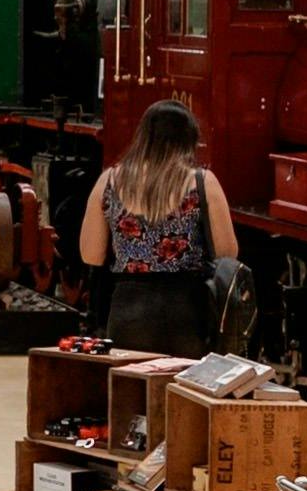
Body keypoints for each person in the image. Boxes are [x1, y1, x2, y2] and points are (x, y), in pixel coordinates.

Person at [94, 98, 249, 356]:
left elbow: (90, 253)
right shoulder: (202, 182)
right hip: (187, 314)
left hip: (128, 311)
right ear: (189, 140)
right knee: (181, 392)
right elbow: (228, 253)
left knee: (129, 391)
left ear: (142, 137)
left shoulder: (108, 181)